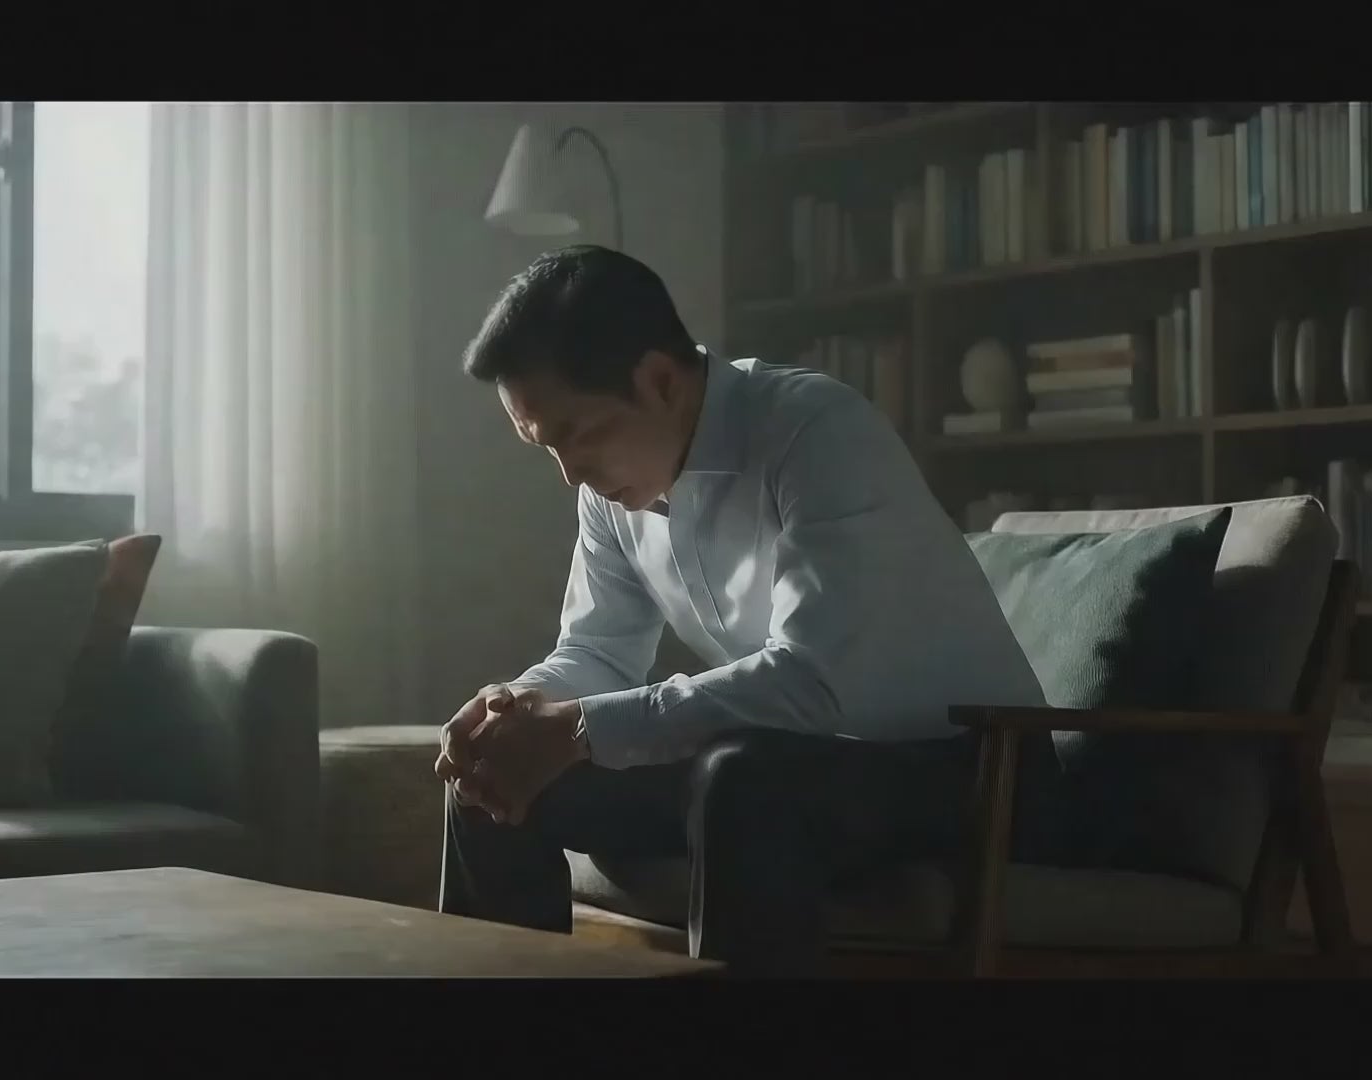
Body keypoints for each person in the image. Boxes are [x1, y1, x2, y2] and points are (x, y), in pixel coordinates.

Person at [434, 245, 1070, 975]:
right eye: (546, 446)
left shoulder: (815, 431)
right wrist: (516, 710)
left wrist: (578, 728)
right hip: (795, 762)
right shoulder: (609, 491)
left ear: (660, 381)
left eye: (579, 436)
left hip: (975, 769)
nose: (569, 474)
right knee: (489, 773)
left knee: (742, 777)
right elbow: (597, 652)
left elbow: (812, 683)